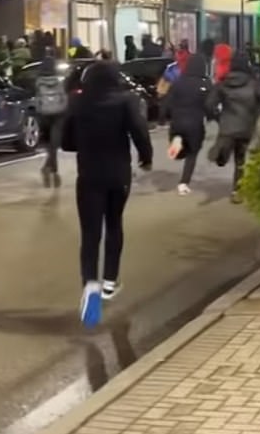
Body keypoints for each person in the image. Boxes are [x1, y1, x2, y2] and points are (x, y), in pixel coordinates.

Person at [61, 61, 153, 328]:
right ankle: (110, 283)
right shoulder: (126, 101)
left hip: (89, 175)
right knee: (115, 225)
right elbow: (139, 130)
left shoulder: (78, 103)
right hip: (118, 176)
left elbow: (67, 141)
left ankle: (90, 284)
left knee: (90, 233)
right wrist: (145, 158)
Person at [206, 54, 260, 203]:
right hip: (247, 126)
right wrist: (258, 112)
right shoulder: (254, 83)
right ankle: (237, 191)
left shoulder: (222, 84)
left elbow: (209, 104)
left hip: (227, 125)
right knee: (240, 159)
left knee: (227, 142)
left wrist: (218, 117)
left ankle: (222, 153)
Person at [161, 54, 212, 196]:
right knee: (192, 153)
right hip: (195, 122)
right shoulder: (205, 83)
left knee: (180, 147)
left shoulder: (178, 82)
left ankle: (177, 140)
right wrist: (212, 117)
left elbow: (167, 102)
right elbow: (209, 105)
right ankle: (183, 183)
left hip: (177, 121)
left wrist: (163, 117)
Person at [35, 50, 68, 188]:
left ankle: (51, 170)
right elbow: (64, 98)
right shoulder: (59, 81)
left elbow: (36, 99)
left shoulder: (38, 82)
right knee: (54, 145)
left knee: (50, 145)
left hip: (44, 114)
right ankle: (51, 170)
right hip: (58, 114)